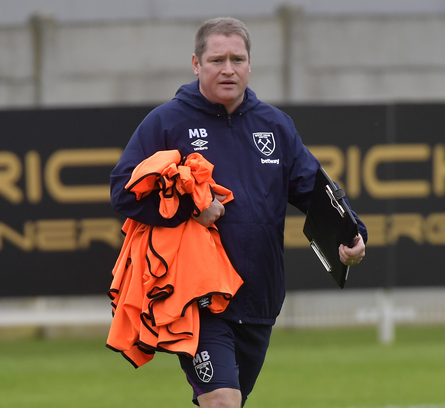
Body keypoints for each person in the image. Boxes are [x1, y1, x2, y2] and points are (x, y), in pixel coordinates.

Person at [110, 16, 367, 408]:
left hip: (260, 297)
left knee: (227, 402)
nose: (228, 69)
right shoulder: (166, 123)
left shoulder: (275, 125)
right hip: (201, 298)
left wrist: (350, 233)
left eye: (237, 59)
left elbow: (315, 189)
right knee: (223, 402)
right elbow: (123, 191)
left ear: (250, 63)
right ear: (196, 65)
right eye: (216, 60)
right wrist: (187, 209)